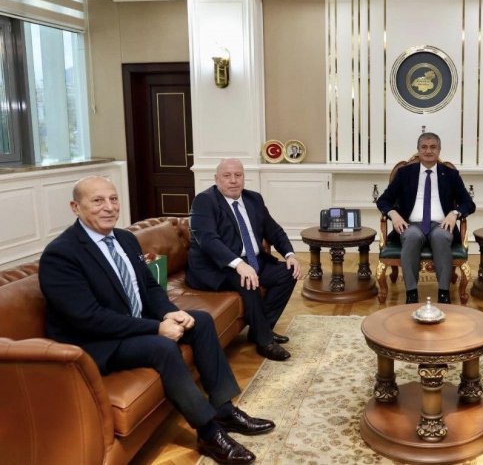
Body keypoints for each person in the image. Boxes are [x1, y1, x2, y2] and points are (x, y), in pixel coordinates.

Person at [38, 176, 269, 464]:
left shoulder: (125, 239)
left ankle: (224, 410)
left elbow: (148, 286)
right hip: (96, 342)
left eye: (113, 199)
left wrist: (169, 312)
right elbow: (88, 318)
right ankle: (209, 433)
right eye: (97, 201)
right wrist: (156, 327)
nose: (109, 207)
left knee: (200, 321)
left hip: (131, 324)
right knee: (162, 347)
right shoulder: (61, 254)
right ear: (75, 207)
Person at [187, 158, 301, 361]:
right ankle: (265, 342)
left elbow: (274, 230)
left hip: (252, 260)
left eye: (238, 175)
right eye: (227, 176)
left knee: (288, 272)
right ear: (217, 179)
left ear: (243, 178)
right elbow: (208, 240)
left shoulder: (253, 199)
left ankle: (260, 329)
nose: (233, 180)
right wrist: (239, 264)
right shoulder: (205, 201)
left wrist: (289, 254)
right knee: (247, 281)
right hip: (217, 266)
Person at [376, 132, 476, 304]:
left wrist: (454, 213)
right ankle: (411, 294)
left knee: (441, 236)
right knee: (412, 236)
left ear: (439, 150)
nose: (428, 151)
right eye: (424, 147)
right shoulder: (404, 173)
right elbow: (383, 200)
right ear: (418, 150)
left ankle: (443, 293)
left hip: (441, 224)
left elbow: (468, 203)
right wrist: (393, 214)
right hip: (411, 224)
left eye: (433, 147)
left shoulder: (450, 175)